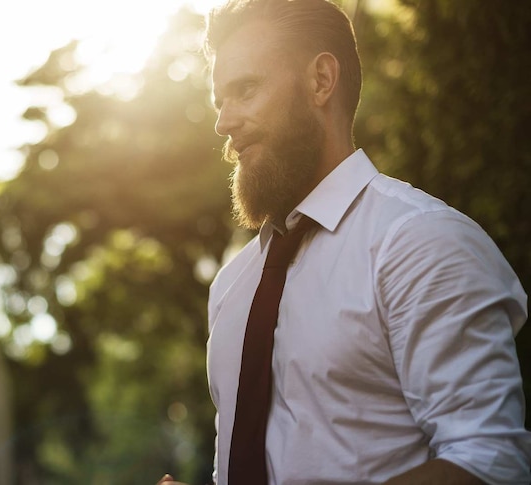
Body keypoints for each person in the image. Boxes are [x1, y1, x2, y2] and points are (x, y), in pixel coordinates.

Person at [159, 0, 530, 484]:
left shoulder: (420, 241)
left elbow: (489, 463)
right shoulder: (231, 284)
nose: (223, 123)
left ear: (321, 81)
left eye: (245, 89)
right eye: (219, 102)